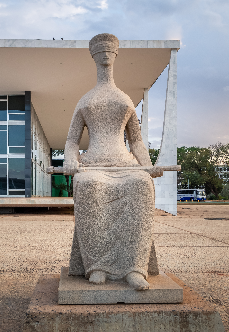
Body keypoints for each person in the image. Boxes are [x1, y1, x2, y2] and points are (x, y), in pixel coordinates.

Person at [63, 33, 163, 291]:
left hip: (125, 164)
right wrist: (70, 161)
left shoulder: (124, 99)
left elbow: (137, 142)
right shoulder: (85, 101)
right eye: (100, 51)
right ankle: (98, 265)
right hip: (94, 165)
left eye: (110, 50)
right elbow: (72, 141)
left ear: (115, 55)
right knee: (87, 186)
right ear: (93, 56)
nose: (105, 54)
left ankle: (134, 268)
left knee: (141, 185)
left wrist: (148, 165)